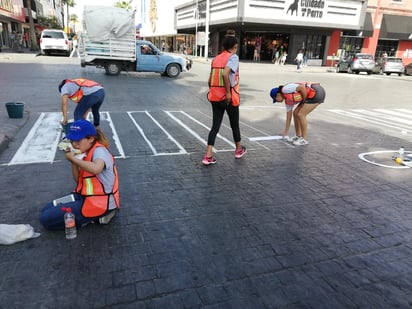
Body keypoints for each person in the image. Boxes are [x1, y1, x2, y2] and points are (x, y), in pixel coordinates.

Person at [39, 120, 120, 230]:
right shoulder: (84, 151)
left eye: (78, 141)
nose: (74, 144)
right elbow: (78, 181)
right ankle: (89, 217)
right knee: (47, 208)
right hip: (84, 196)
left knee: (46, 219)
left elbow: (96, 169)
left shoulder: (99, 151)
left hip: (100, 202)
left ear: (91, 138)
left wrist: (73, 158)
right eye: (72, 140)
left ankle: (101, 215)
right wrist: (73, 161)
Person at [203, 35, 246, 165]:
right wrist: (227, 93)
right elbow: (225, 73)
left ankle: (208, 155)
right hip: (229, 98)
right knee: (234, 126)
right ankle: (238, 150)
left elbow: (210, 79)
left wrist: (212, 91)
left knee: (215, 126)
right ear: (235, 46)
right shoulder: (233, 57)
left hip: (215, 97)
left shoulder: (216, 58)